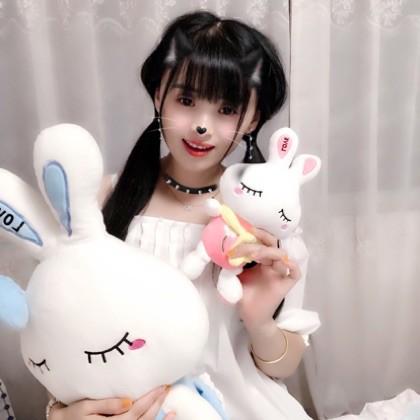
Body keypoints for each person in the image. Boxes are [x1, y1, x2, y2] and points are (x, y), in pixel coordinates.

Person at [49, 10, 320, 420]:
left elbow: (281, 367)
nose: (201, 126)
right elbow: (59, 324)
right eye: (187, 101)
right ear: (159, 94)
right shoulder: (101, 200)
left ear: (252, 119)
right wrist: (60, 412)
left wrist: (259, 319)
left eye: (226, 109)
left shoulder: (267, 221)